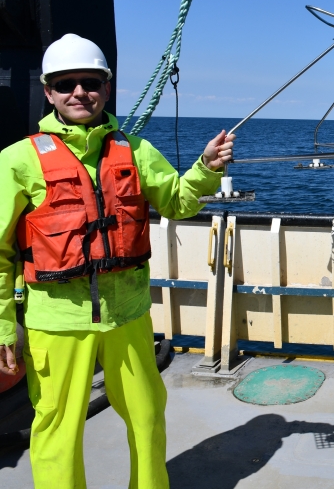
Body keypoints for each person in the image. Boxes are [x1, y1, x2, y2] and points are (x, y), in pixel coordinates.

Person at [0, 34, 235, 488]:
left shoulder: (136, 151)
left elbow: (178, 201)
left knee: (148, 417)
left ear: (107, 88)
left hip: (128, 316)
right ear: (47, 92)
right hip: (56, 322)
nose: (79, 92)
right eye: (65, 83)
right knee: (57, 431)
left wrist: (206, 167)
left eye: (90, 82)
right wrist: (5, 328)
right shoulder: (17, 161)